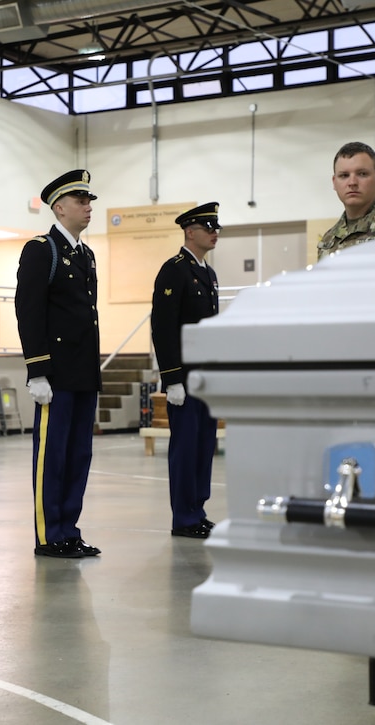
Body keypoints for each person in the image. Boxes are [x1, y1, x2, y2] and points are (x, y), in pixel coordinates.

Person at [15, 169, 102, 559]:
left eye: (88, 201)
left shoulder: (85, 253)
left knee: (79, 455)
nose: (87, 207)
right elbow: (28, 310)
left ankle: (69, 529)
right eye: (81, 201)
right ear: (59, 206)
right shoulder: (42, 249)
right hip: (56, 374)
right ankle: (50, 534)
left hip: (83, 371)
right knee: (53, 457)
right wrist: (37, 369)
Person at [151, 202, 223, 539]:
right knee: (185, 447)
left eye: (216, 227)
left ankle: (198, 509)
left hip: (206, 376)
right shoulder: (174, 270)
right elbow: (163, 328)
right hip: (185, 377)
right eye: (208, 227)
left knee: (204, 446)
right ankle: (183, 517)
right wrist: (172, 378)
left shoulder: (208, 273)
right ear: (189, 231)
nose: (214, 232)